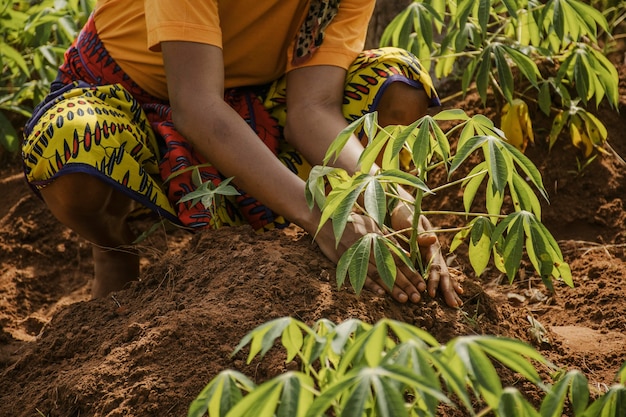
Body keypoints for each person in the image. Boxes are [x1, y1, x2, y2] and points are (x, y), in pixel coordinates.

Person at [22, 0, 463, 307]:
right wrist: (320, 217)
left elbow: (312, 109)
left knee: (396, 82)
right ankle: (113, 248)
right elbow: (196, 105)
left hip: (252, 100)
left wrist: (385, 196)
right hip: (123, 95)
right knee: (69, 142)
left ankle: (276, 213)